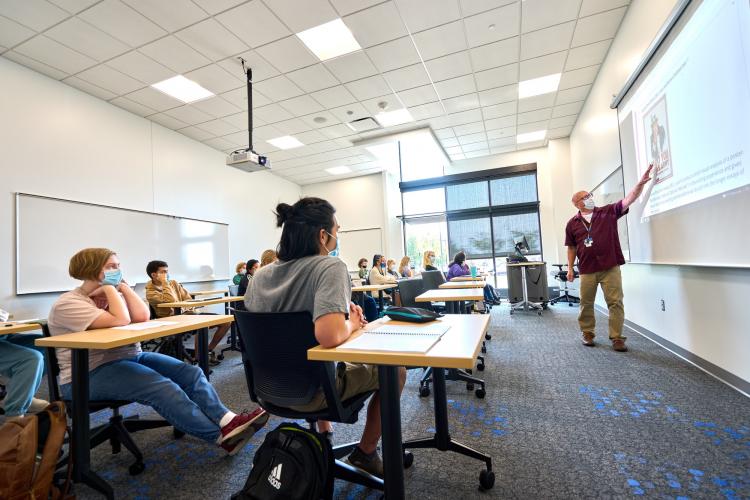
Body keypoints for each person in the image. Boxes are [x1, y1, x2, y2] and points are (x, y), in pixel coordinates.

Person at [47, 248, 268, 454]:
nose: (118, 271)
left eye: (118, 266)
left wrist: (122, 288)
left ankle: (227, 421)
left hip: (131, 357)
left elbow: (143, 316)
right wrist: (108, 288)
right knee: (161, 387)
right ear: (91, 270)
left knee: (190, 373)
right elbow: (121, 319)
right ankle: (222, 438)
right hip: (87, 375)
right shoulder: (69, 303)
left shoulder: (115, 295)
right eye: (111, 267)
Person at [247, 198, 406, 477]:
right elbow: (330, 335)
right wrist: (353, 323)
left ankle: (323, 428)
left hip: (268, 389)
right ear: (323, 235)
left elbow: (277, 331)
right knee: (396, 370)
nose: (337, 237)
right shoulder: (330, 267)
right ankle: (366, 452)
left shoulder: (260, 276)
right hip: (314, 392)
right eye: (337, 230)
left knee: (311, 354)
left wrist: (340, 318)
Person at [565, 164, 653, 352]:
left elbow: (629, 199)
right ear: (577, 203)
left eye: (589, 195)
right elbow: (571, 247)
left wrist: (640, 184)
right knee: (585, 303)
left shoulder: (607, 211)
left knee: (615, 302)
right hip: (587, 268)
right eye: (585, 197)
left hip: (609, 266)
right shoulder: (572, 224)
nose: (589, 198)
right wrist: (570, 268)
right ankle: (587, 333)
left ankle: (617, 337)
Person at [145, 260, 230, 365]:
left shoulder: (174, 283)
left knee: (226, 321)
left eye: (167, 271)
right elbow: (171, 300)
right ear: (154, 275)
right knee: (203, 325)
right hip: (172, 321)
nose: (167, 274)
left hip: (189, 314)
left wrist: (188, 308)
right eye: (163, 272)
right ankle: (200, 358)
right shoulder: (150, 292)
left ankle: (206, 351)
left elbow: (188, 298)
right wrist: (165, 284)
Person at [0, 311, 48, 416]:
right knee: (32, 358)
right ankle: (14, 415)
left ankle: (24, 396)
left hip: (3, 335)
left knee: (47, 344)